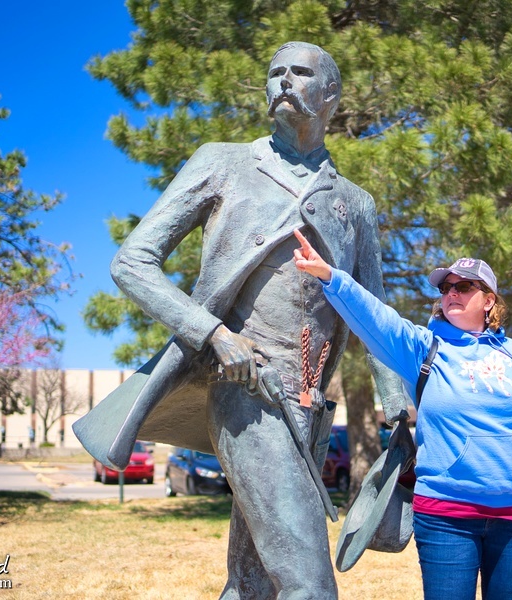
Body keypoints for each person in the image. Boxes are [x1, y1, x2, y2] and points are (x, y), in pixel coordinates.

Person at [75, 42, 408, 599]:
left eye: (300, 73)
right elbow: (131, 261)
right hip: (245, 391)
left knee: (254, 584)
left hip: (311, 410)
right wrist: (214, 335)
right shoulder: (223, 162)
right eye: (275, 73)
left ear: (331, 94)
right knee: (309, 585)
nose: (283, 82)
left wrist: (397, 406)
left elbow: (377, 317)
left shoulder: (356, 203)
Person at [293, 229, 512, 600]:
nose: (451, 292)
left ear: (488, 300)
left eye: (464, 286)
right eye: (446, 287)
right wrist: (330, 276)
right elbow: (377, 319)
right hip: (446, 517)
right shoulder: (423, 347)